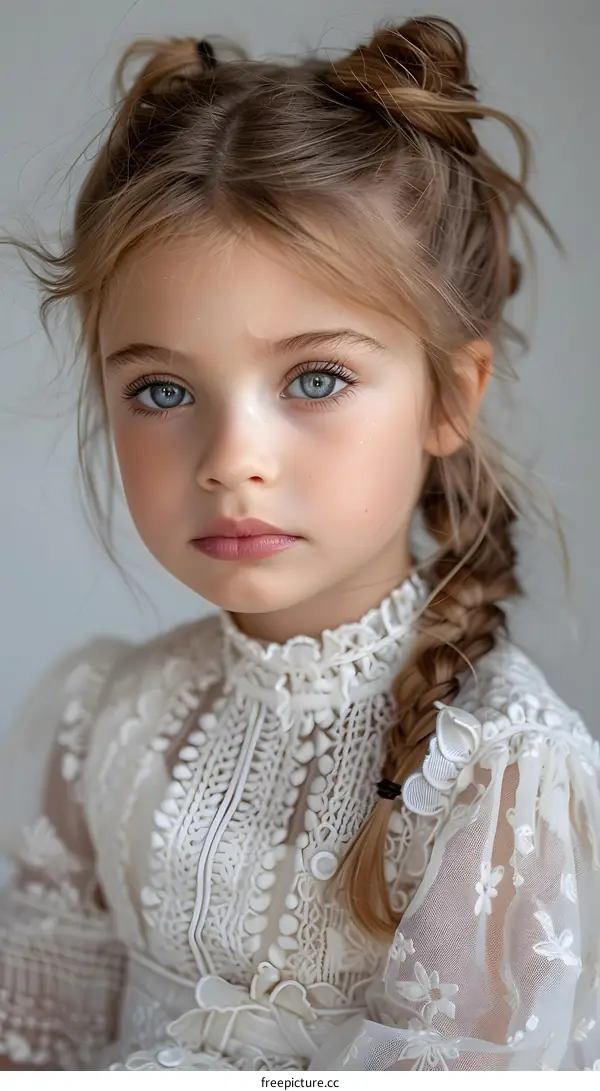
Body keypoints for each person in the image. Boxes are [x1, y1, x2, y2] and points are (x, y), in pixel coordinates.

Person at [0, 15, 598, 1073]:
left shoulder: (500, 775)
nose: (233, 460)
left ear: (450, 398)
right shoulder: (101, 723)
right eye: (162, 389)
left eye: (315, 378)